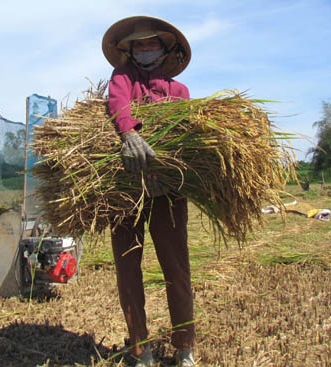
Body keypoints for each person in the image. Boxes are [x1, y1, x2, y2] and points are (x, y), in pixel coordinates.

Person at [102, 16, 195, 366]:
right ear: (129, 51)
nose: (144, 49)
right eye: (137, 45)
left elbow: (187, 137)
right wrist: (129, 133)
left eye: (150, 44)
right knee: (128, 271)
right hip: (125, 191)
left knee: (177, 269)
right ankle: (141, 351)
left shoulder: (180, 92)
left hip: (169, 193)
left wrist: (169, 171)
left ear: (164, 50)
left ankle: (184, 347)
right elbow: (118, 104)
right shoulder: (122, 78)